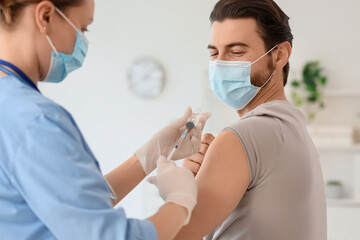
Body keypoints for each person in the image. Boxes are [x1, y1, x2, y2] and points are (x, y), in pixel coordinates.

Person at [0, 0, 211, 239]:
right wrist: (180, 203)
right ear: (46, 16)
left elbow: (73, 206)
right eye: (82, 28)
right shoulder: (35, 120)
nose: (82, 42)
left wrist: (148, 157)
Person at [176, 0, 327, 239]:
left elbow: (173, 235)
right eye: (214, 53)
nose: (221, 63)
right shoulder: (294, 129)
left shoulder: (243, 136)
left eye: (236, 52)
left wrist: (179, 189)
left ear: (280, 55)